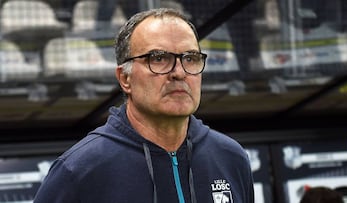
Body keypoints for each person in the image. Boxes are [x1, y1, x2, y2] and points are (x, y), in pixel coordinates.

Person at [33, 8, 254, 203]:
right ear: (125, 79)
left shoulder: (230, 157)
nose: (178, 73)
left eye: (190, 58)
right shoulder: (79, 170)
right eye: (158, 58)